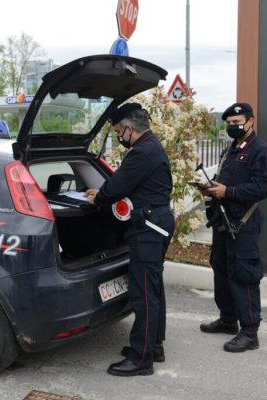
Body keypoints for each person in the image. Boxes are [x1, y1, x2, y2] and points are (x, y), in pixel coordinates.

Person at [86, 103, 175, 377]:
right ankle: (153, 346)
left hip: (148, 229)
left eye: (117, 132)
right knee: (153, 289)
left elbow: (117, 186)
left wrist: (97, 197)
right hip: (155, 224)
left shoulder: (142, 152)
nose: (118, 137)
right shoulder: (151, 146)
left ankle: (141, 358)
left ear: (128, 127)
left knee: (144, 294)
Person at [198, 102, 267, 352]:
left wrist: (227, 191)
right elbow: (225, 180)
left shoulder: (260, 150)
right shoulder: (230, 149)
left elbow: (263, 187)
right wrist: (211, 187)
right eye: (229, 123)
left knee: (244, 274)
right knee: (221, 270)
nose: (232, 127)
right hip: (223, 221)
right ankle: (228, 320)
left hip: (244, 223)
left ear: (250, 121)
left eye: (236, 122)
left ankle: (250, 332)